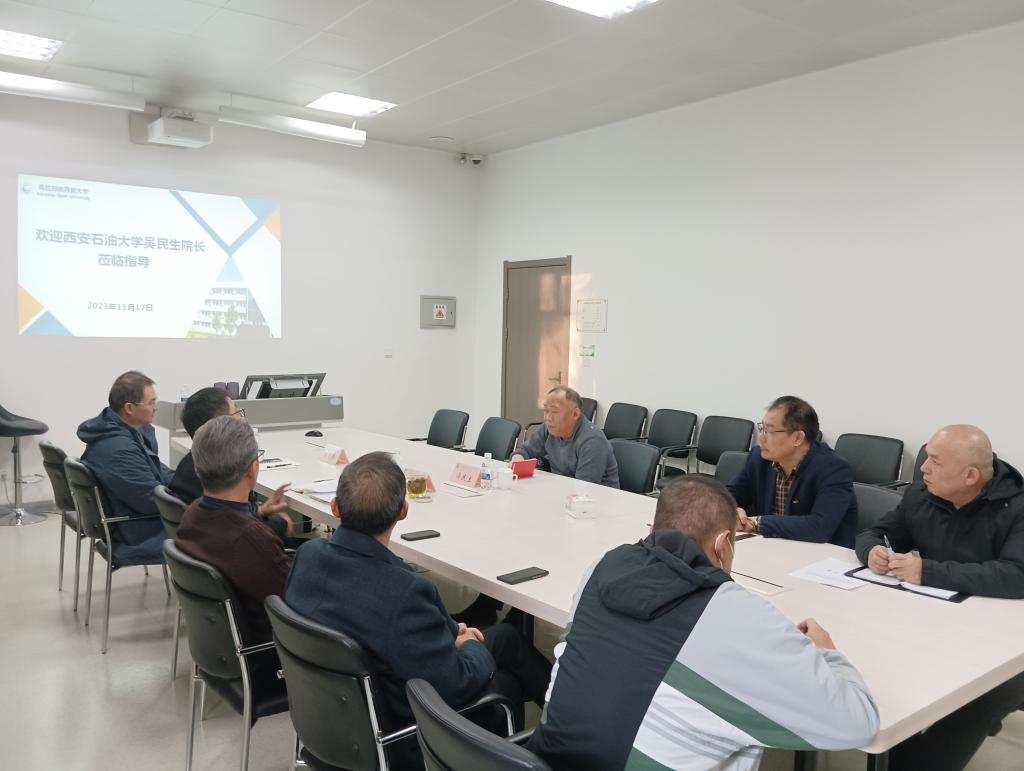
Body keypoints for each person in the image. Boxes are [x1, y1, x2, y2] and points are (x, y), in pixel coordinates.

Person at [528, 476, 879, 771]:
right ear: (724, 543)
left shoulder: (601, 569)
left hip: (547, 761)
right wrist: (826, 653)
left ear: (653, 528)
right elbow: (857, 723)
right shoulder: (734, 614)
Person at [284, 451, 551, 770]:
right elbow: (456, 684)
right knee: (506, 681)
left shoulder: (308, 556)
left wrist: (449, 633)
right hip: (399, 738)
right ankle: (565, 739)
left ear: (335, 507)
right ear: (404, 511)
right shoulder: (404, 592)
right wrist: (469, 645)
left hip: (326, 718)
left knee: (506, 638)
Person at [855, 424, 1024, 771]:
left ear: (970, 476)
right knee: (879, 661)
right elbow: (876, 533)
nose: (923, 468)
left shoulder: (1017, 507)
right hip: (937, 623)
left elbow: (1016, 575)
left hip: (1007, 643)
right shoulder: (922, 493)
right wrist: (872, 550)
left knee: (978, 698)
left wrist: (927, 571)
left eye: (935, 461)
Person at [175, 415, 292, 645]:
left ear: (197, 469)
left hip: (222, 644)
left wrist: (259, 513)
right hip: (271, 652)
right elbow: (297, 599)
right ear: (253, 469)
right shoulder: (250, 540)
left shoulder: (192, 513)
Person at [726, 395, 857, 546]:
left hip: (821, 554)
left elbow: (819, 527)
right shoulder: (759, 458)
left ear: (797, 438)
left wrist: (758, 523)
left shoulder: (833, 469)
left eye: (770, 431)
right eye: (762, 429)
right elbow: (727, 496)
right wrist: (733, 510)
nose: (761, 438)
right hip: (771, 546)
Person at [169, 387, 292, 539]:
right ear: (221, 425)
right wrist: (281, 523)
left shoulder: (193, 463)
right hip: (234, 545)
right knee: (286, 523)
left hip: (209, 544)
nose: (242, 418)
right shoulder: (218, 472)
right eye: (236, 412)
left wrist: (259, 511)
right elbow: (233, 525)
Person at [77, 370, 173, 561]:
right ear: (129, 408)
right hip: (137, 533)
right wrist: (191, 499)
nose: (156, 408)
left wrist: (186, 482)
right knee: (213, 528)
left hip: (135, 519)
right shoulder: (119, 449)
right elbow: (151, 501)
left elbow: (157, 469)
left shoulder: (126, 433)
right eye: (151, 402)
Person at [511, 386, 619, 488]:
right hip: (562, 491)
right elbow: (525, 450)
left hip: (594, 498)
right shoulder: (549, 428)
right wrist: (518, 458)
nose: (548, 418)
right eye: (546, 410)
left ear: (575, 414)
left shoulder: (592, 441)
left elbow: (583, 487)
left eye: (555, 412)